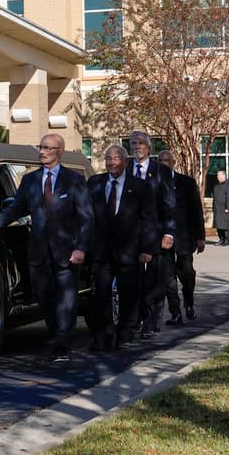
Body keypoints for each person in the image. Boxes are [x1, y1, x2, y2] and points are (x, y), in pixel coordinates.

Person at [0, 133, 92, 362]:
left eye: (47, 148)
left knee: (66, 300)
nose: (42, 151)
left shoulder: (74, 181)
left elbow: (86, 218)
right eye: (41, 146)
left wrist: (81, 248)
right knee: (45, 298)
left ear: (59, 151)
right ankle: (58, 332)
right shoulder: (30, 180)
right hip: (38, 251)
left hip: (67, 251)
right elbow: (15, 210)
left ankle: (62, 346)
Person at [87, 145, 158, 350]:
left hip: (130, 250)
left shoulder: (140, 187)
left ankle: (126, 331)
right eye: (108, 158)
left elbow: (149, 220)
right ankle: (105, 332)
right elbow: (85, 214)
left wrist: (147, 248)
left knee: (129, 294)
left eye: (116, 158)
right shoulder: (95, 183)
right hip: (101, 251)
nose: (112, 162)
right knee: (101, 294)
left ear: (125, 162)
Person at [127, 131, 176, 338]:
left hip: (156, 234)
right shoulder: (125, 169)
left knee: (155, 281)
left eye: (140, 143)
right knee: (134, 282)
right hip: (130, 236)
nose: (137, 146)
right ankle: (135, 319)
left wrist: (169, 232)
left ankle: (152, 322)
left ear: (148, 147)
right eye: (133, 143)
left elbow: (169, 204)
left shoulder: (160, 171)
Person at [157, 151, 205, 325]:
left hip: (184, 237)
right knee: (168, 277)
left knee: (187, 273)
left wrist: (200, 237)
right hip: (163, 238)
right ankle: (175, 312)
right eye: (160, 161)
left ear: (173, 163)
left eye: (166, 161)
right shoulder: (154, 183)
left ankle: (189, 303)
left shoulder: (186, 182)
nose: (163, 164)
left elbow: (196, 211)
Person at [212, 170, 229, 246]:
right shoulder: (216, 186)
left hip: (225, 209)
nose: (218, 177)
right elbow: (214, 198)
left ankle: (226, 240)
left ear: (224, 176)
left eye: (219, 175)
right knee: (218, 226)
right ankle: (221, 239)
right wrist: (213, 208)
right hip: (217, 209)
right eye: (217, 175)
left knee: (225, 226)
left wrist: (227, 207)